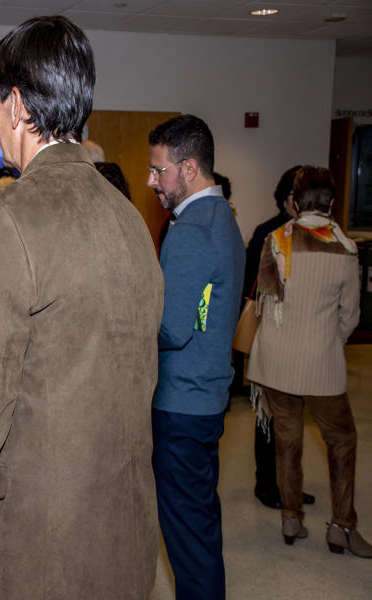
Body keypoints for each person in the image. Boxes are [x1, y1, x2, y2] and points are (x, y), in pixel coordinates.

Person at [0, 16, 164, 599]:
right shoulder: (130, 218)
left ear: (16, 105)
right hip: (126, 525)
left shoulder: (5, 217)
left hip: (40, 540)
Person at [246, 166, 370, 557]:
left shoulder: (275, 240)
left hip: (275, 361)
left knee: (287, 440)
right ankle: (342, 526)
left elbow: (266, 302)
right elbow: (350, 317)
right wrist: (329, 341)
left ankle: (291, 517)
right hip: (321, 363)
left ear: (296, 203)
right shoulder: (344, 248)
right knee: (342, 441)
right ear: (331, 203)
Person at [147, 114, 244, 600]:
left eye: (158, 170)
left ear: (188, 168)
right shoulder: (223, 217)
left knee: (187, 540)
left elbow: (171, 327)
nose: (152, 181)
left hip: (181, 402)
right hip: (207, 396)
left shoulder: (189, 229)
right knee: (200, 526)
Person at [244, 165, 316, 510]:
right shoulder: (268, 233)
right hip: (272, 334)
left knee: (293, 418)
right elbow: (252, 285)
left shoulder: (311, 234)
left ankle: (289, 485)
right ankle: (267, 485)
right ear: (288, 198)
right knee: (269, 416)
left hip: (301, 337)